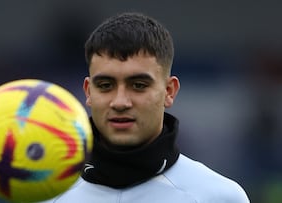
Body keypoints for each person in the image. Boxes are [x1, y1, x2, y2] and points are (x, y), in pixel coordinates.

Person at [41, 12, 250, 203]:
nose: (120, 102)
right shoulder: (46, 197)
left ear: (169, 91)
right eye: (105, 86)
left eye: (138, 85)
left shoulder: (219, 197)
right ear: (88, 92)